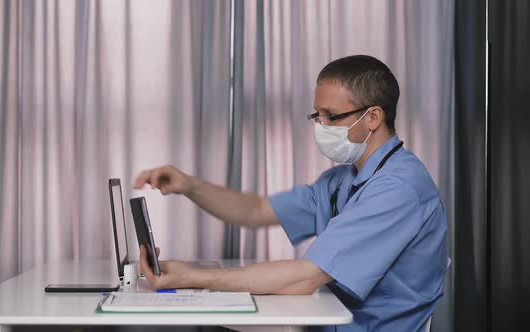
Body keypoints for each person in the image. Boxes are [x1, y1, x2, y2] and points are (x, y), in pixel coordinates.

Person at [133, 55, 447, 332]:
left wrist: (193, 278)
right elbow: (256, 210)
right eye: (317, 115)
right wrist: (188, 185)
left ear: (373, 117)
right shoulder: (343, 179)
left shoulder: (398, 188)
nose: (321, 126)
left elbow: (305, 277)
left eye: (331, 116)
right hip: (327, 319)